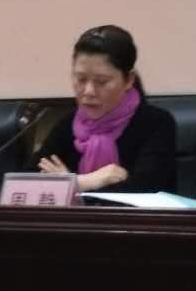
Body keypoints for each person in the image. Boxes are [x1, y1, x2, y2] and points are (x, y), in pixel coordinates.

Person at [33, 25, 177, 193]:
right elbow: (26, 181)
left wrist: (67, 184)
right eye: (81, 79)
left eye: (101, 82)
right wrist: (84, 182)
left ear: (129, 80)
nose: (88, 91)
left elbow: (147, 189)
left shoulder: (156, 123)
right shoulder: (67, 125)